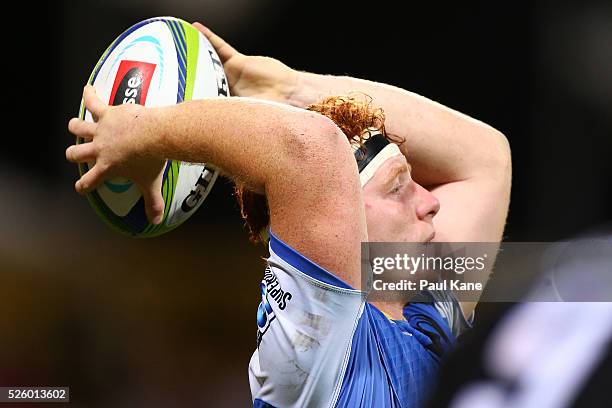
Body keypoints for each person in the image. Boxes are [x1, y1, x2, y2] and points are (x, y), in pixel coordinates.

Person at [66, 22, 511, 408]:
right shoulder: (321, 340)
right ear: (345, 221)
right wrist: (143, 132)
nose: (429, 201)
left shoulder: (423, 324)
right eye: (398, 187)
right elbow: (308, 149)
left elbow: (486, 158)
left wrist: (290, 89)